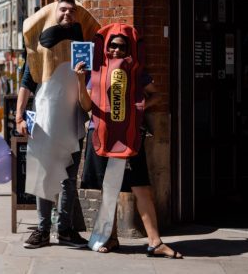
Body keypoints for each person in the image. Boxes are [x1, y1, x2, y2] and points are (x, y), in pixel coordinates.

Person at [74, 32, 183, 258]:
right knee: (108, 188)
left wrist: (137, 108)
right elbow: (86, 105)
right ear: (105, 47)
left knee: (141, 187)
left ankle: (155, 242)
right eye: (112, 46)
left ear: (128, 50)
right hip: (101, 135)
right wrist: (79, 79)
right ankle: (109, 237)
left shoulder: (135, 72)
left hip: (129, 137)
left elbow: (156, 95)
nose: (116, 50)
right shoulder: (95, 71)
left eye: (121, 47)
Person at [16, 0, 99, 249]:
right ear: (54, 13)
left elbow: (92, 85)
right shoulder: (40, 50)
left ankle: (65, 229)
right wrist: (19, 116)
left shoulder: (84, 47)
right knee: (44, 174)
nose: (67, 13)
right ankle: (42, 229)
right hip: (45, 116)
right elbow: (27, 82)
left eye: (72, 10)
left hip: (74, 118)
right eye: (62, 9)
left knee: (68, 179)